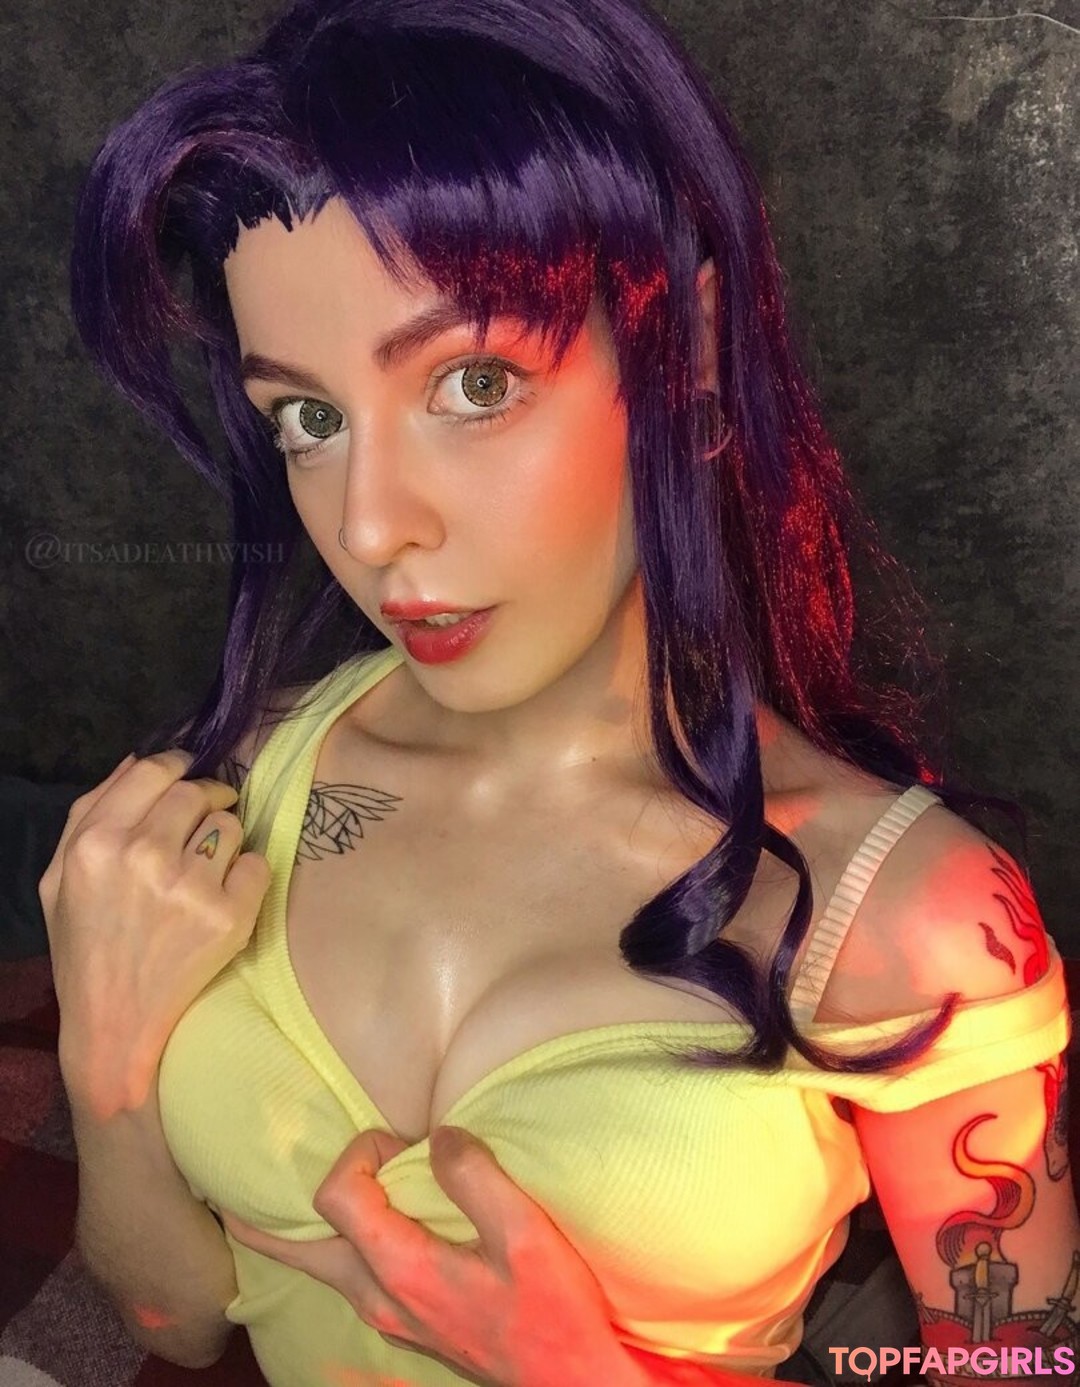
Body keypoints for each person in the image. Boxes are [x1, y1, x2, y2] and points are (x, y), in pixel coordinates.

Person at [39, 0, 1075, 1383]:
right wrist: (104, 1067)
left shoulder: (918, 923)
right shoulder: (252, 778)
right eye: (310, 418)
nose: (370, 527)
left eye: (474, 383)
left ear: (688, 349)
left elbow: (1020, 1364)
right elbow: (176, 1319)